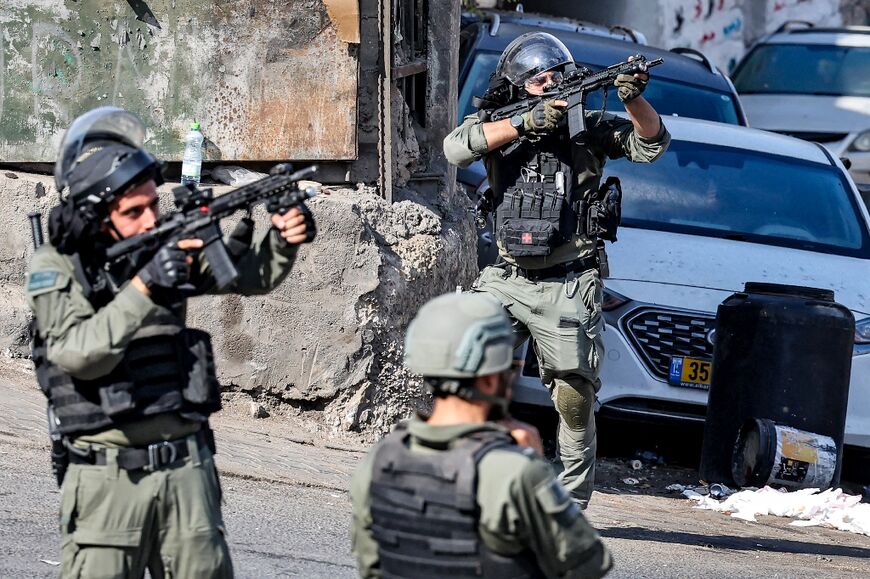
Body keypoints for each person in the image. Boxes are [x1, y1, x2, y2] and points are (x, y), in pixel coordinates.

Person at [26, 107, 314, 578]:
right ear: (97, 217)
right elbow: (77, 353)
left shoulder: (160, 245)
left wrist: (283, 238)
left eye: (152, 205)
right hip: (107, 479)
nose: (149, 220)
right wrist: (146, 288)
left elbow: (248, 277)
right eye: (132, 212)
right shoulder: (57, 266)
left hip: (187, 472)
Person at [443, 32, 670, 509]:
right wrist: (526, 123)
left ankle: (570, 498)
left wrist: (635, 98)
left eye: (556, 77)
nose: (551, 84)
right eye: (539, 80)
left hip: (569, 280)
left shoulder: (587, 125)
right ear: (521, 86)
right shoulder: (499, 120)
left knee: (572, 396)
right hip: (506, 277)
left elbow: (652, 144)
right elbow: (456, 147)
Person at [350, 292, 612, 579]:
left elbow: (370, 565)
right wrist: (537, 469)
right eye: (508, 369)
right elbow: (588, 564)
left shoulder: (380, 460)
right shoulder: (515, 472)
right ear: (490, 379)